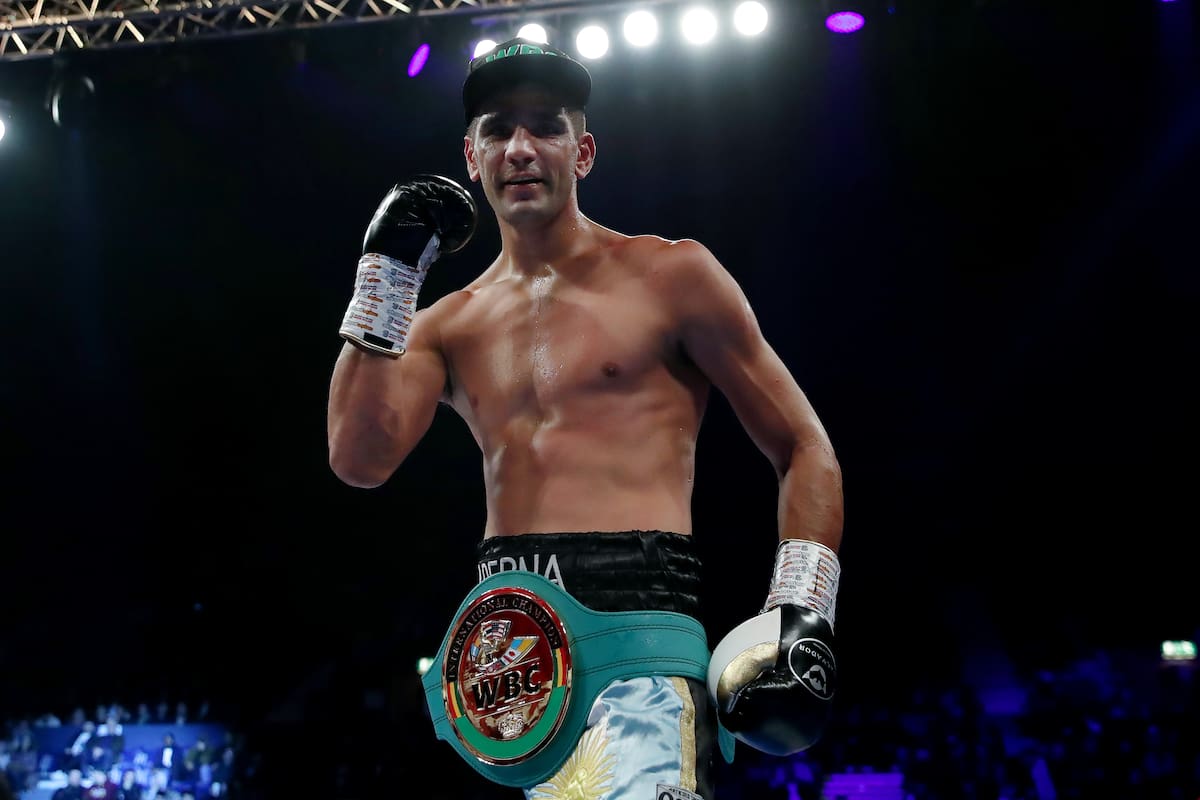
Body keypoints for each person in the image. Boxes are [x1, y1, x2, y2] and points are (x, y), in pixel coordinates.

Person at [327, 37, 845, 799]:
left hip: (638, 644)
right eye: (498, 130)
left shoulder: (672, 276)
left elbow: (804, 446)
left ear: (585, 151)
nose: (521, 148)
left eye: (546, 126)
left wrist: (802, 610)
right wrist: (386, 277)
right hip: (500, 673)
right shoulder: (446, 324)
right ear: (471, 156)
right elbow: (358, 458)